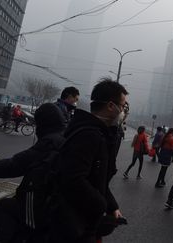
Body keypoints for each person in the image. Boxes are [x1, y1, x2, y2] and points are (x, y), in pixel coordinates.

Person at [51, 78, 127, 243]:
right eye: (122, 106)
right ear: (110, 106)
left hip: (82, 221)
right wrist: (100, 206)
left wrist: (112, 206)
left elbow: (99, 179)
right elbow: (73, 179)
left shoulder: (100, 133)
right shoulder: (89, 135)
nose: (123, 111)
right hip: (74, 225)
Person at [0, 103, 65, 243]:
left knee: (3, 206)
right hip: (59, 207)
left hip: (41, 208)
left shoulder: (50, 142)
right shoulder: (64, 137)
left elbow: (15, 165)